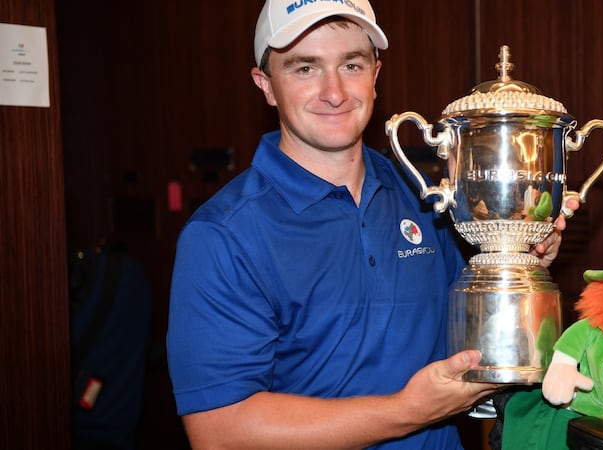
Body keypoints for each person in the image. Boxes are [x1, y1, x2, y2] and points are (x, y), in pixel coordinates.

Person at [166, 1, 574, 448]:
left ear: (376, 74)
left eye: (351, 64)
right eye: (305, 68)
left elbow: (473, 341)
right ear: (265, 85)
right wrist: (407, 412)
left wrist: (519, 257)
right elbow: (218, 432)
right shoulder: (223, 236)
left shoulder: (428, 197)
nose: (334, 91)